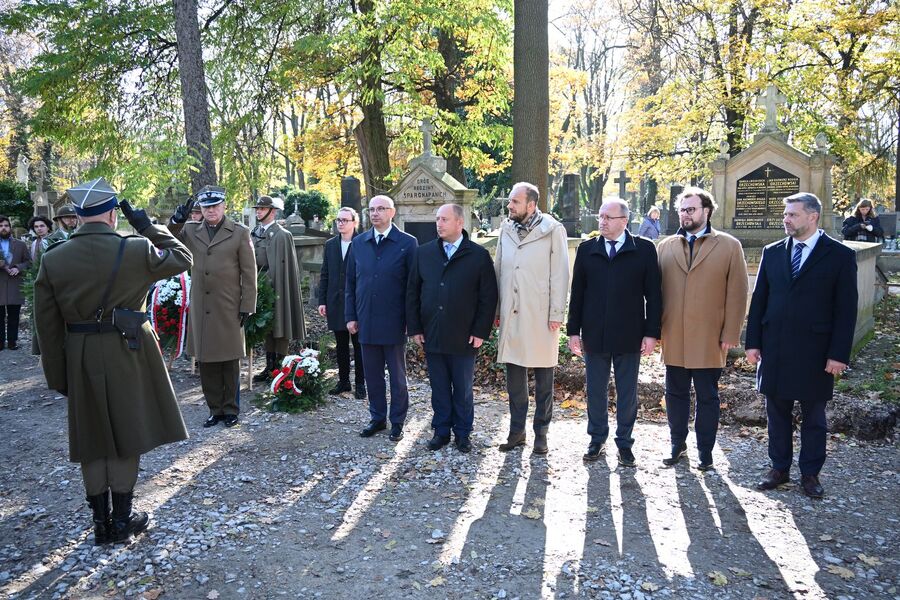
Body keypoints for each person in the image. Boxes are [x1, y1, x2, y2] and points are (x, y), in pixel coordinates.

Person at [34, 177, 192, 545]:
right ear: (110, 214)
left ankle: (100, 524)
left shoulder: (54, 258)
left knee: (92, 437)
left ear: (77, 215)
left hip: (79, 352)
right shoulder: (135, 248)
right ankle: (122, 520)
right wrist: (145, 225)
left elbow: (47, 326)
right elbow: (184, 258)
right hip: (128, 350)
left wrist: (58, 375)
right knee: (125, 433)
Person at [747, 192, 857, 499]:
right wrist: (752, 342)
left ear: (812, 217)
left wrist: (838, 354)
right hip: (776, 347)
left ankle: (810, 474)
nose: (786, 219)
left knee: (814, 417)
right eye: (785, 214)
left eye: (793, 214)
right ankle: (778, 468)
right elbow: (760, 301)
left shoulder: (838, 255)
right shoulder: (773, 252)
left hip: (816, 351)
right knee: (776, 412)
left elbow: (846, 310)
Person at [657, 187, 748, 470]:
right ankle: (677, 444)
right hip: (675, 334)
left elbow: (738, 292)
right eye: (682, 210)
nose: (685, 214)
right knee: (675, 393)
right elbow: (655, 291)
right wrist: (654, 331)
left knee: (707, 396)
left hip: (710, 336)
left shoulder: (729, 246)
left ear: (706, 211)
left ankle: (706, 451)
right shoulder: (665, 246)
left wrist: (731, 332)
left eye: (691, 209)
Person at [567, 198, 661, 466]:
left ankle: (625, 443)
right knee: (595, 389)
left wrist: (652, 333)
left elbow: (654, 295)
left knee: (627, 391)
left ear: (624, 221)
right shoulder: (587, 250)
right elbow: (578, 294)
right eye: (601, 217)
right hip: (594, 333)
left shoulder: (643, 250)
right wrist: (573, 331)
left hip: (629, 333)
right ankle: (597, 438)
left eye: (608, 217)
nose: (602, 222)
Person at [407, 203, 498, 453]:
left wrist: (480, 331)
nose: (439, 224)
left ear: (460, 223)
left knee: (463, 387)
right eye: (437, 219)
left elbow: (488, 298)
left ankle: (463, 432)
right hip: (432, 333)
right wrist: (415, 327)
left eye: (444, 219)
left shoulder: (477, 255)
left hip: (464, 335)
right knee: (438, 385)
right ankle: (441, 430)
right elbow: (412, 292)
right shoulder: (424, 253)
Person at [169, 186, 257, 428]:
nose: (211, 210)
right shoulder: (189, 230)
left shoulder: (239, 232)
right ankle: (214, 409)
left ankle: (231, 409)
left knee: (229, 359)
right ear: (201, 210)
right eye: (206, 207)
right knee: (206, 361)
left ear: (224, 206)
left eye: (215, 206)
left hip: (228, 305)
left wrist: (247, 305)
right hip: (201, 306)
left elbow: (249, 273)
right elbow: (167, 240)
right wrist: (176, 220)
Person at [494, 182, 570, 455]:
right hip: (511, 311)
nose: (510, 206)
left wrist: (556, 313)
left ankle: (541, 433)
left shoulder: (552, 230)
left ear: (531, 205)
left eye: (515, 202)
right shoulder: (506, 229)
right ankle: (517, 431)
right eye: (510, 201)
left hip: (539, 314)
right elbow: (499, 267)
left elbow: (560, 273)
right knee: (514, 376)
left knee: (543, 378)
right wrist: (496, 309)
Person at [345, 195, 417, 442]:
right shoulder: (359, 243)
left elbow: (412, 286)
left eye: (381, 209)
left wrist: (411, 319)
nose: (375, 213)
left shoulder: (408, 243)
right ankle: (377, 418)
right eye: (371, 209)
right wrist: (350, 316)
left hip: (395, 321)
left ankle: (397, 422)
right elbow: (351, 283)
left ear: (392, 212)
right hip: (366, 320)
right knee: (372, 375)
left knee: (397, 377)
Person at [251, 195, 306, 381]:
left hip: (278, 287)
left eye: (262, 208)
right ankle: (269, 365)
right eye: (257, 208)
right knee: (266, 327)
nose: (258, 211)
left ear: (272, 212)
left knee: (280, 323)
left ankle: (279, 367)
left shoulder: (282, 235)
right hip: (259, 286)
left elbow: (285, 268)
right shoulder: (254, 233)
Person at [318, 207, 366, 398]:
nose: (341, 223)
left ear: (355, 222)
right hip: (336, 302)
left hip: (357, 301)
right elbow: (325, 273)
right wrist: (322, 300)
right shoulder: (330, 244)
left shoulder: (363, 242)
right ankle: (344, 381)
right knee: (341, 344)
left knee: (359, 344)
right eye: (338, 220)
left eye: (345, 220)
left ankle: (360, 383)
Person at [0, 215, 31, 350]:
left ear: (10, 227)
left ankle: (12, 341)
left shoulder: (20, 244)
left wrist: (18, 268)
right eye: (0, 226)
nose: (3, 228)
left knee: (14, 315)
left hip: (15, 283)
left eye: (6, 225)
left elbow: (29, 262)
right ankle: (0, 342)